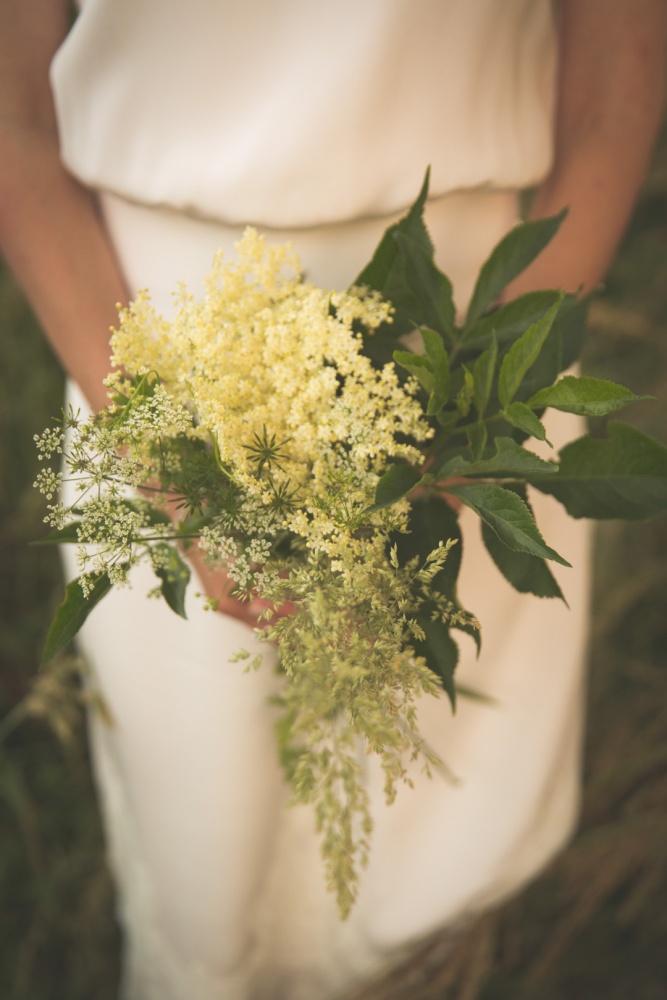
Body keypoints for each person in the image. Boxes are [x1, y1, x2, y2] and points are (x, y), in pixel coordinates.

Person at [1, 2, 665, 998]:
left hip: (466, 332)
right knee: (208, 892)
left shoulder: (470, 392)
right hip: (146, 334)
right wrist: (173, 470)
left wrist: (475, 413)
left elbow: (619, 68)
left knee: (430, 880)